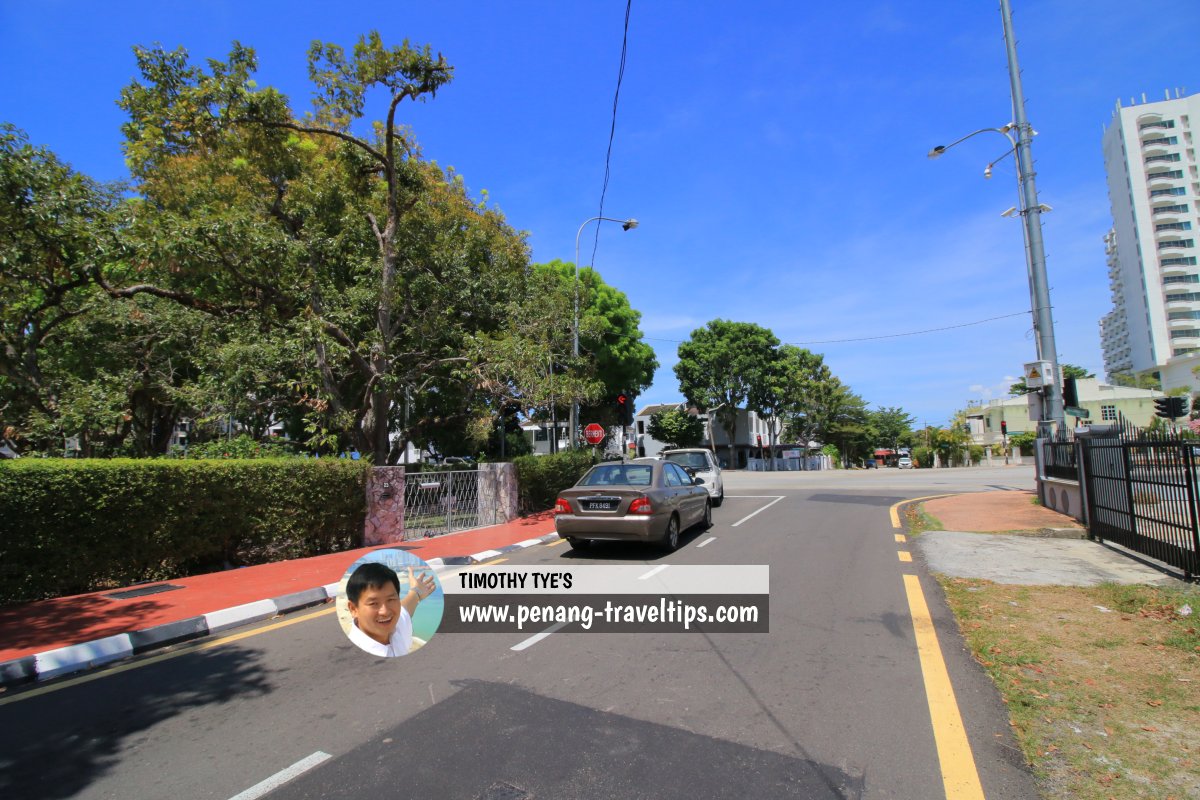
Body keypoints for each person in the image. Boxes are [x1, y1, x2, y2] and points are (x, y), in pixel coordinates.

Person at [345, 561, 436, 657]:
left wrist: (416, 592)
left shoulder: (397, 625)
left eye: (391, 599)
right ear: (353, 609)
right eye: (374, 603)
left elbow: (406, 607)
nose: (385, 611)